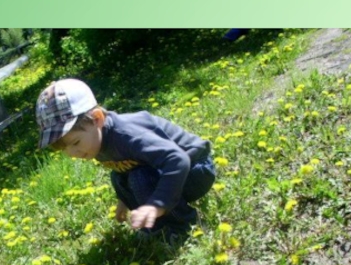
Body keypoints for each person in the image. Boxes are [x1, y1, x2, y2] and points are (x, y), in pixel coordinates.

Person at [35, 78, 216, 239]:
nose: (72, 153)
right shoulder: (96, 140)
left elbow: (178, 160)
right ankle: (157, 226)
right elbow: (125, 167)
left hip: (196, 169)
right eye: (64, 149)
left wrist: (157, 204)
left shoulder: (127, 135)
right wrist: (125, 200)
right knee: (118, 177)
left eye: (75, 142)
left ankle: (185, 225)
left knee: (139, 178)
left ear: (97, 119)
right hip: (170, 170)